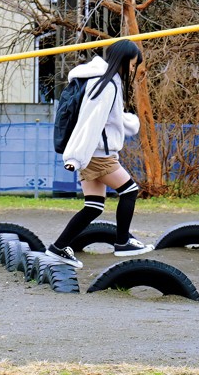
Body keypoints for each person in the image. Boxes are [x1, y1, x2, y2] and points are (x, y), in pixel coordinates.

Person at [45, 39, 154, 268]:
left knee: (93, 206)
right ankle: (122, 242)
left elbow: (110, 118)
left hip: (93, 153)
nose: (132, 70)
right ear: (123, 60)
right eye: (132, 64)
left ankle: (58, 247)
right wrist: (75, 157)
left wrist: (130, 123)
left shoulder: (102, 81)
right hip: (98, 155)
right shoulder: (107, 85)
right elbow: (91, 122)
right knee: (130, 191)